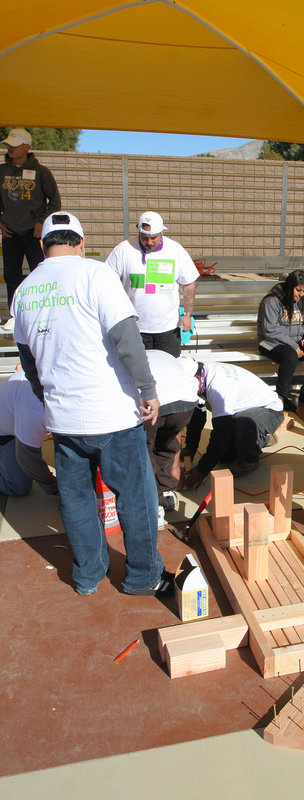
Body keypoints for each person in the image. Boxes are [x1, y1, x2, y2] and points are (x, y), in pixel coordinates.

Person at [12, 211, 172, 597]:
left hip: (65, 420)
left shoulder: (24, 290)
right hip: (113, 414)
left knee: (77, 501)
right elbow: (127, 340)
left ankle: (87, 576)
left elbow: (29, 362)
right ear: (81, 244)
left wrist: (48, 399)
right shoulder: (96, 275)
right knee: (136, 496)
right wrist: (148, 389)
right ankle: (143, 576)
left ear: (42, 246)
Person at [105, 211, 198, 356]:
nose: (149, 242)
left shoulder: (175, 250)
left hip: (168, 329)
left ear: (162, 232)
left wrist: (187, 314)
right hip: (134, 329)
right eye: (144, 238)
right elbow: (106, 282)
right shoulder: (124, 250)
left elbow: (188, 283)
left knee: (169, 370)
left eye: (153, 238)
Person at [182, 360, 285, 488]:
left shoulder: (219, 387)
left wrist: (202, 469)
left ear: (197, 379)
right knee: (225, 457)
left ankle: (250, 460)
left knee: (243, 422)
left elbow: (221, 432)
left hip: (270, 411)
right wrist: (190, 448)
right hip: (241, 411)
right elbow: (196, 416)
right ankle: (257, 437)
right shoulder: (200, 377)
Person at [0, 128, 61, 333]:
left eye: (14, 145)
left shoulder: (42, 172)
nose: (9, 149)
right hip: (10, 233)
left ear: (26, 147)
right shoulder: (1, 171)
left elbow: (54, 201)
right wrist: (0, 222)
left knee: (40, 275)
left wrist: (41, 222)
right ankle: (14, 315)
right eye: (8, 145)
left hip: (34, 235)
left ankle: (43, 315)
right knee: (11, 275)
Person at [144, 349, 199, 527]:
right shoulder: (166, 356)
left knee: (145, 452)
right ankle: (166, 491)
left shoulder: (128, 356)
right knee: (166, 444)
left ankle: (154, 505)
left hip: (154, 403)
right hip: (186, 404)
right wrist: (174, 466)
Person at [257, 270, 304, 411]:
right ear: (290, 287)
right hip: (269, 342)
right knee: (290, 356)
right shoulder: (271, 301)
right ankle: (281, 396)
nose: (301, 294)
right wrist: (294, 345)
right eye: (298, 290)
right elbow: (270, 330)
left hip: (295, 342)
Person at [0, 368, 58, 497]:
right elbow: (27, 458)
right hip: (3, 432)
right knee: (18, 486)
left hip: (12, 420)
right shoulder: (35, 407)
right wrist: (54, 487)